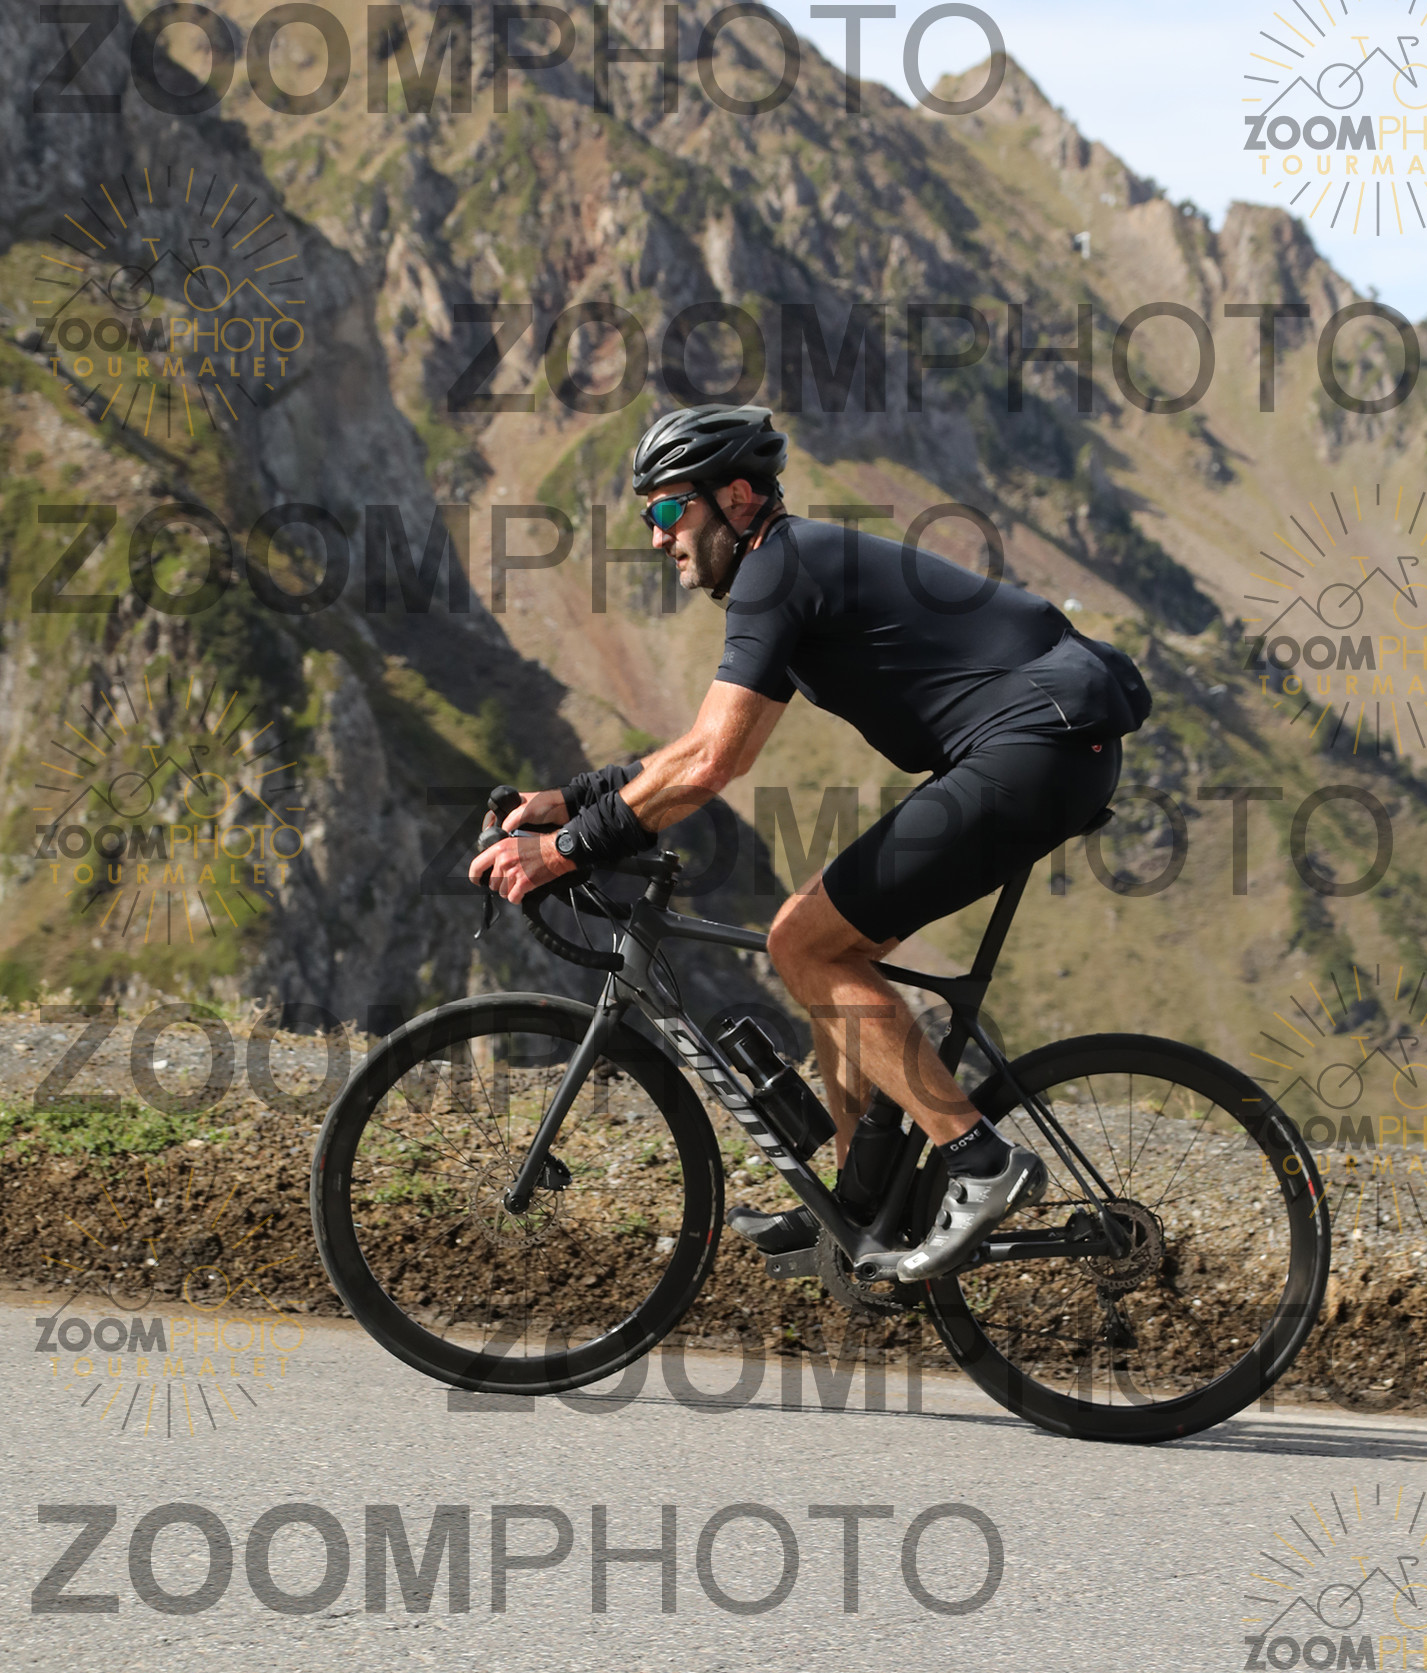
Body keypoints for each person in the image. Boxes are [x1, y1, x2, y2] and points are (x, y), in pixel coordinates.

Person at [469, 405, 1150, 1283]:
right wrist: (569, 800)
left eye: (670, 509)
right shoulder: (789, 568)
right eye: (648, 516)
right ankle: (861, 1202)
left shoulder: (776, 570)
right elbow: (705, 741)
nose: (657, 536)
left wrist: (566, 851)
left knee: (803, 942)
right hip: (1045, 746)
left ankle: (980, 1162)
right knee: (830, 948)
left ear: (737, 497)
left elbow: (711, 767)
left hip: (1037, 746)